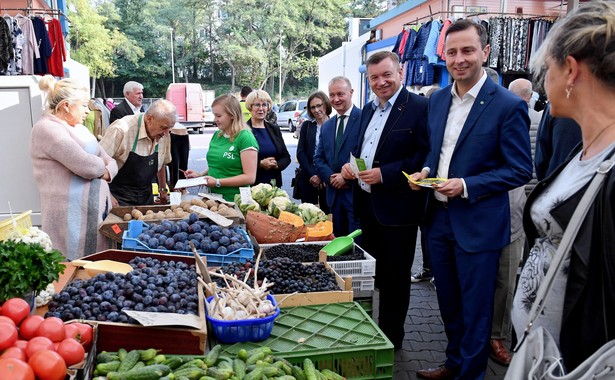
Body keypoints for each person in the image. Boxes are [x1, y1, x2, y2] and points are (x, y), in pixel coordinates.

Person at [410, 19, 532, 379]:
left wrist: (465, 185)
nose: (459, 59)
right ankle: (454, 365)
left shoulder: (508, 105)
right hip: (439, 221)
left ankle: (471, 374)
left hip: (478, 223)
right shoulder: (436, 101)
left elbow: (520, 169)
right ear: (443, 56)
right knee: (448, 305)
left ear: (485, 53)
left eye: (467, 50)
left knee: (476, 310)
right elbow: (438, 153)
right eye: (451, 52)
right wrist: (425, 172)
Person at [511, 1, 615, 371]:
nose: (544, 82)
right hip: (543, 357)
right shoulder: (583, 149)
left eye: (546, 71)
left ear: (569, 69)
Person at [340, 51, 429, 349]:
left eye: (386, 75)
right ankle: (368, 329)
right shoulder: (367, 109)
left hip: (397, 211)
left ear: (401, 72)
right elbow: (361, 147)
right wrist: (349, 166)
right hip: (366, 206)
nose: (381, 82)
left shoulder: (419, 107)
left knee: (395, 278)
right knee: (370, 276)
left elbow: (423, 156)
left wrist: (387, 174)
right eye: (374, 77)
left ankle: (392, 339)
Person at [30, 75, 118, 260]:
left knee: (98, 270)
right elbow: (87, 166)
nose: (88, 111)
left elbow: (112, 161)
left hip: (93, 217)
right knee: (76, 270)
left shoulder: (80, 128)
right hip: (70, 219)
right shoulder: (47, 128)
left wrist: (105, 169)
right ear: (67, 106)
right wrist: (102, 167)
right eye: (84, 105)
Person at [100, 99, 175, 206]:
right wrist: (108, 194)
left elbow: (161, 162)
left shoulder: (164, 134)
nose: (166, 133)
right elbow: (98, 167)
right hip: (118, 198)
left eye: (170, 128)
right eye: (163, 127)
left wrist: (162, 188)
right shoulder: (121, 129)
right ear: (149, 119)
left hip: (146, 197)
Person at [184, 94, 258, 201]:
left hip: (236, 200)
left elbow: (250, 178)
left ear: (232, 115)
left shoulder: (245, 137)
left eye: (218, 116)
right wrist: (200, 176)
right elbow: (219, 166)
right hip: (214, 199)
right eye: (214, 115)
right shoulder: (217, 135)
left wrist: (218, 182)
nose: (215, 120)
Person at [314, 77, 361, 237]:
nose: (336, 99)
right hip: (333, 197)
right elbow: (318, 158)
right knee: (338, 244)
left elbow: (365, 154)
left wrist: (345, 177)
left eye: (340, 94)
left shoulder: (364, 119)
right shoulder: (327, 126)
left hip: (355, 195)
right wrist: (332, 178)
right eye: (332, 95)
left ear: (351, 92)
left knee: (357, 246)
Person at [295, 91, 331, 213]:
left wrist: (323, 176)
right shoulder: (307, 126)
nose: (316, 110)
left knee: (328, 216)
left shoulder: (335, 125)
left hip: (328, 180)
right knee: (308, 216)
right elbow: (300, 153)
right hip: (309, 178)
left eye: (319, 105)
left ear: (326, 104)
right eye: (312, 107)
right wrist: (313, 175)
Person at [246, 90, 291, 187]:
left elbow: (286, 156)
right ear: (250, 107)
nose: (261, 108)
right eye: (257, 105)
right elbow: (237, 160)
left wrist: (277, 164)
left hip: (273, 185)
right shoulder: (243, 131)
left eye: (264, 105)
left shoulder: (274, 129)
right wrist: (260, 163)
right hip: (252, 185)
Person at [534, 102, 582, 181]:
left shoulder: (556, 105)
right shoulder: (603, 106)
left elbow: (541, 153)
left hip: (556, 178)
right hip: (593, 181)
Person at [168, 122, 190, 191]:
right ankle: (174, 187)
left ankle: (183, 188)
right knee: (174, 165)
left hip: (184, 134)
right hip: (171, 134)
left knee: (184, 165)